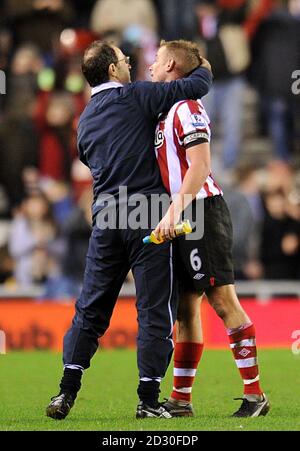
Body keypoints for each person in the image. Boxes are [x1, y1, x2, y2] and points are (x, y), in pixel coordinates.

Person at [46, 40, 213, 420]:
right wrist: (200, 62)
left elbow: (88, 158)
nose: (129, 63)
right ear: (111, 71)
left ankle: (65, 392)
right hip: (148, 213)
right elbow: (196, 86)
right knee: (154, 309)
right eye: (123, 59)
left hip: (105, 216)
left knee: (91, 308)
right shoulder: (136, 95)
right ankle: (148, 401)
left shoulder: (85, 118)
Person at [149, 39, 270, 417]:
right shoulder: (165, 110)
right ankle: (181, 401)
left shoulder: (187, 108)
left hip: (201, 211)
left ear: (170, 64)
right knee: (186, 310)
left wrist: (173, 211)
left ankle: (255, 396)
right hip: (183, 214)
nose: (150, 66)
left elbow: (200, 166)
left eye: (156, 59)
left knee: (222, 300)